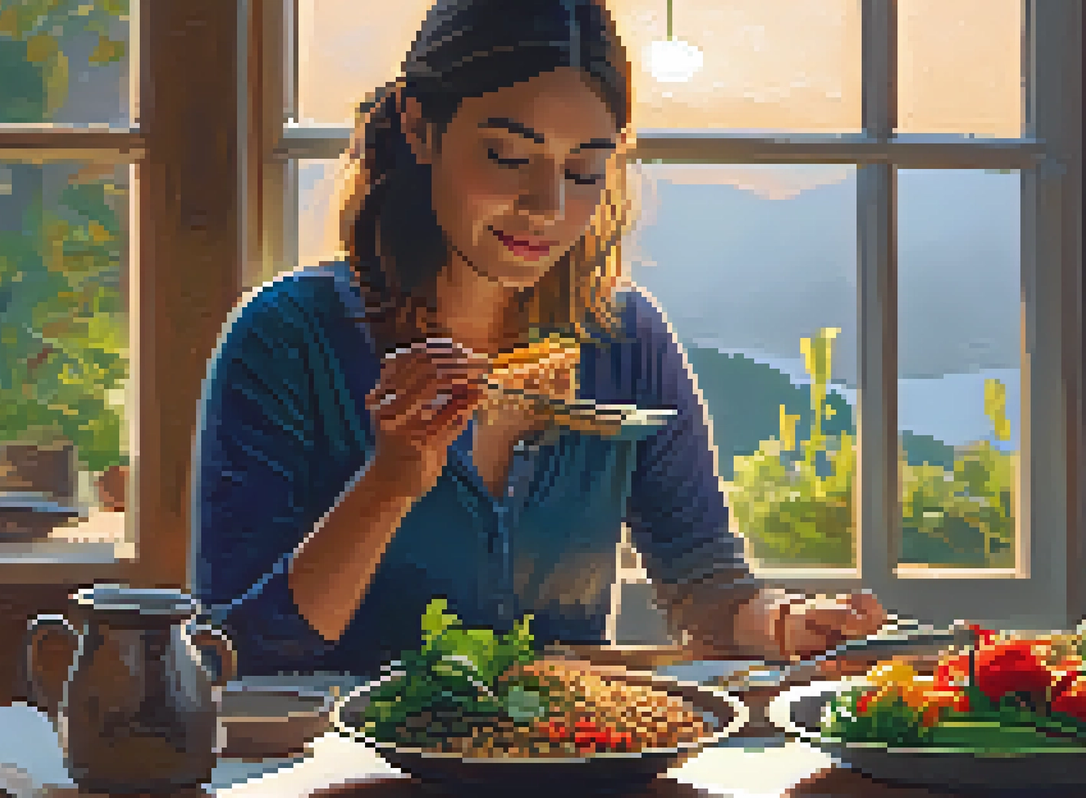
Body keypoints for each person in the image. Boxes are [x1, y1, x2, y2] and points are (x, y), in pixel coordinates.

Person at [192, 0, 886, 678]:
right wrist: (388, 484)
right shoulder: (287, 338)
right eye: (506, 155)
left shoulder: (624, 339)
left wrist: (788, 623)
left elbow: (704, 583)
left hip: (563, 765)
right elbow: (236, 651)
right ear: (419, 125)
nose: (549, 208)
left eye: (584, 171)